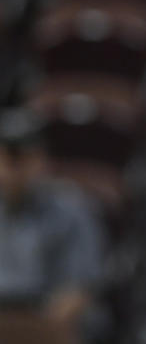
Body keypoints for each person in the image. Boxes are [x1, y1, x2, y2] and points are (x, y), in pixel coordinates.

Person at [0, 110, 105, 344]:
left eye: (22, 158)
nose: (13, 170)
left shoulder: (73, 210)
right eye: (6, 158)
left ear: (41, 159)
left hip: (45, 318)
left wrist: (35, 329)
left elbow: (79, 290)